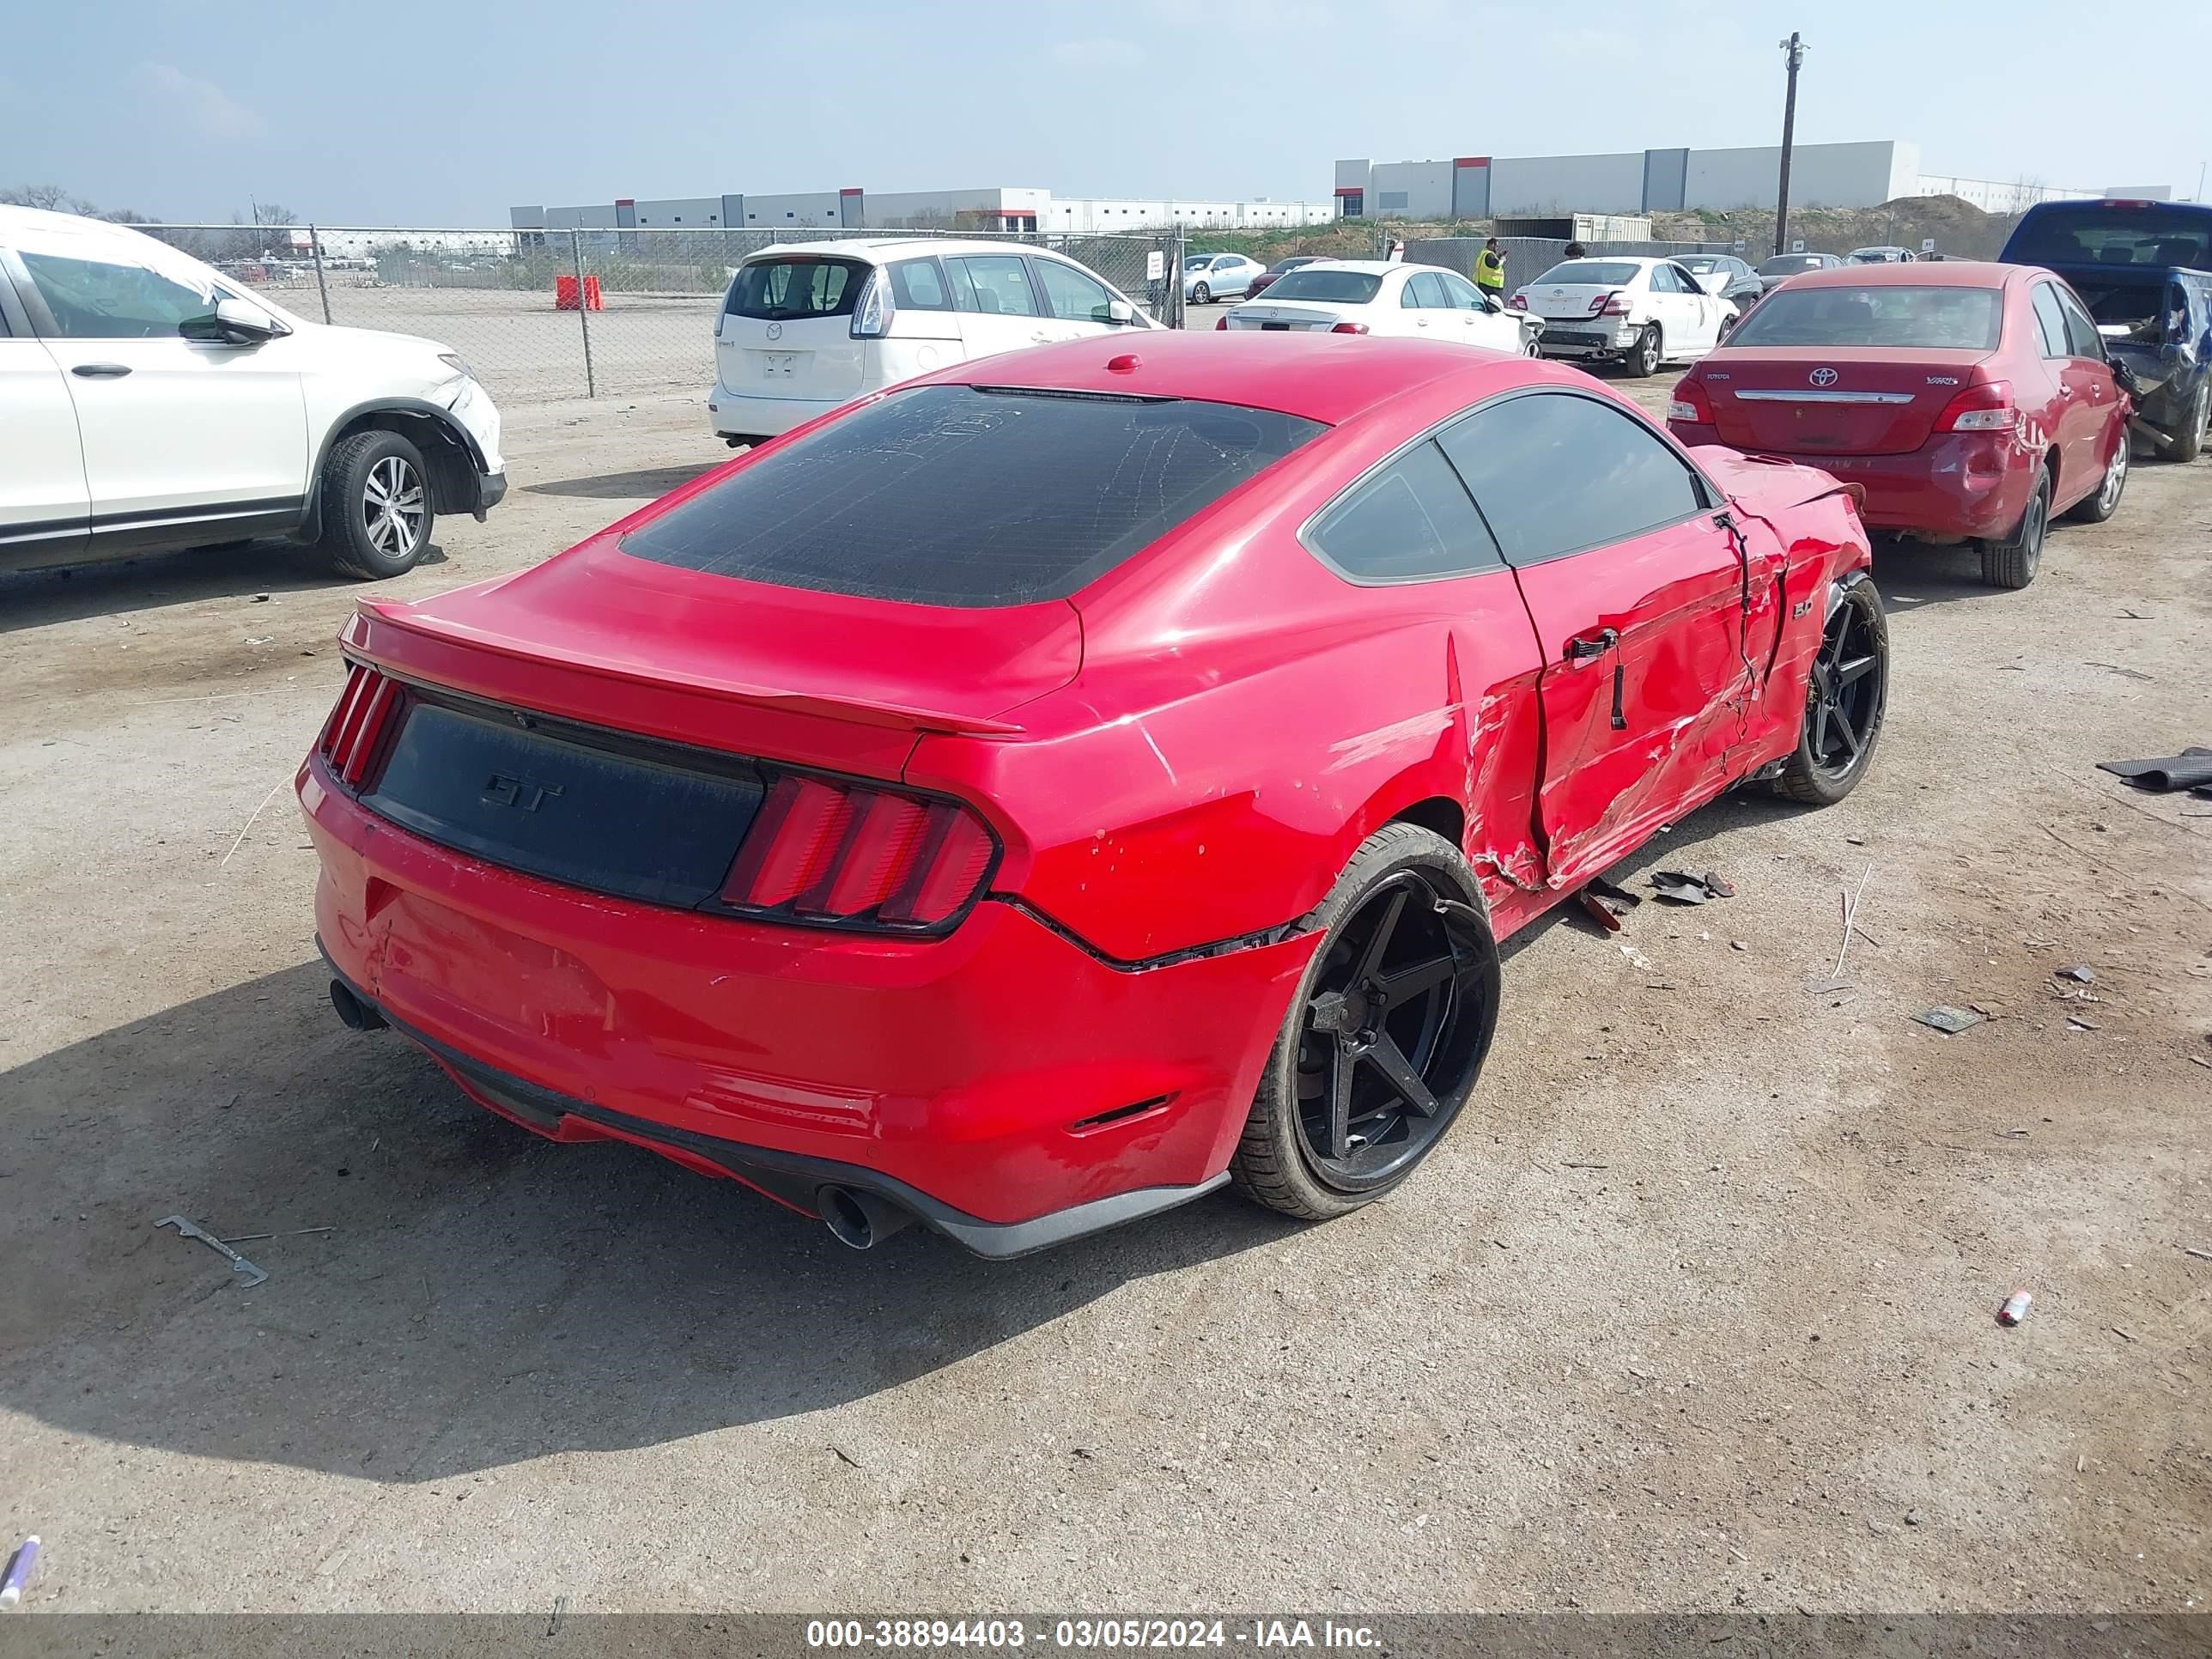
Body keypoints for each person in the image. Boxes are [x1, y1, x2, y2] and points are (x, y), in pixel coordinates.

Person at [1474, 236, 1506, 301]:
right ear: (1492, 245)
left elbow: (1492, 262)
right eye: (1496, 246)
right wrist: (1502, 259)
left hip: (1484, 284)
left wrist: (1499, 255)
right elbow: (1496, 264)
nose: (1497, 248)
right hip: (1491, 286)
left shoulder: (1484, 253)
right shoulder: (1489, 255)